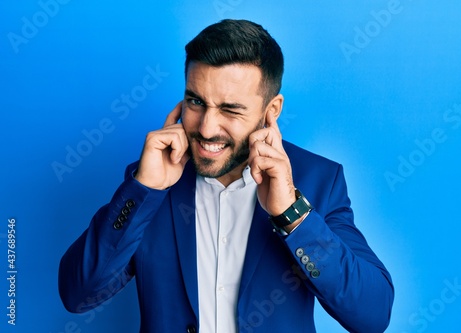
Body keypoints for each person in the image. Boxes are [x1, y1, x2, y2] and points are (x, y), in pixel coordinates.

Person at [59, 19, 394, 333]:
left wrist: (292, 214)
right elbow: (78, 295)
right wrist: (143, 190)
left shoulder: (319, 179)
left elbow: (372, 314)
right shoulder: (151, 179)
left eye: (230, 109)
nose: (206, 128)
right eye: (196, 102)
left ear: (271, 111)